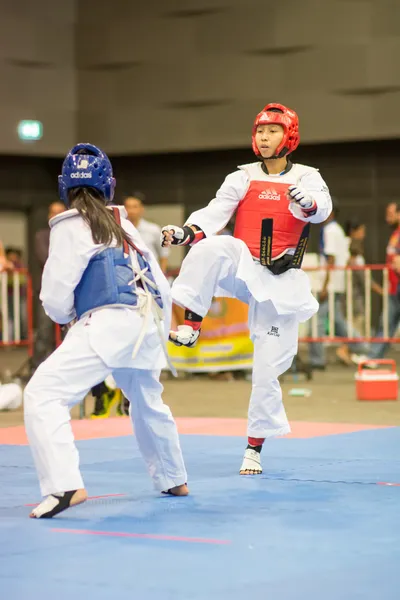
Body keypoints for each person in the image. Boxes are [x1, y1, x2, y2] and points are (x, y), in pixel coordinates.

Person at [161, 103, 332, 476]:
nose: (264, 138)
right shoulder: (241, 176)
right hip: (244, 269)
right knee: (210, 246)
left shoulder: (307, 176)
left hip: (281, 283)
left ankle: (254, 448)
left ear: (289, 136)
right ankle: (191, 323)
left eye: (272, 131)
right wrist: (185, 232)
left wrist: (309, 202)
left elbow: (322, 209)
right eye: (260, 132)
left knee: (266, 370)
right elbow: (214, 213)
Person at [24, 143, 188, 519]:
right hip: (148, 322)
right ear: (109, 185)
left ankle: (64, 484)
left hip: (108, 323)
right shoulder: (123, 223)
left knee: (43, 394)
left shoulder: (70, 224)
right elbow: (160, 284)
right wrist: (165, 329)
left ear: (64, 185)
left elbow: (54, 295)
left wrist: (69, 317)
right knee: (146, 398)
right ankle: (173, 477)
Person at [309, 206, 368, 368]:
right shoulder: (336, 230)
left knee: (317, 322)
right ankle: (364, 347)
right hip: (334, 283)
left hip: (329, 284)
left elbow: (331, 259)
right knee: (338, 321)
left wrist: (324, 285)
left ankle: (317, 360)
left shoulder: (330, 230)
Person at [32, 202, 66, 370]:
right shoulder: (42, 235)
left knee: (69, 334)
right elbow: (45, 259)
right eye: (53, 212)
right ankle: (35, 369)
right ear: (48, 216)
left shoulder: (71, 236)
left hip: (68, 291)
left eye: (60, 212)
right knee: (44, 333)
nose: (56, 215)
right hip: (46, 292)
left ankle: (65, 370)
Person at [367, 202, 400, 360]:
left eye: (391, 213)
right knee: (386, 324)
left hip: (397, 288)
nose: (388, 217)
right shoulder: (395, 234)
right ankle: (373, 357)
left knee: (386, 324)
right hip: (394, 288)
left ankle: (373, 357)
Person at [124, 193, 170, 273]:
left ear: (142, 209)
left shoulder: (153, 229)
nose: (131, 211)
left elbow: (164, 253)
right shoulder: (119, 230)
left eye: (135, 207)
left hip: (151, 273)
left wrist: (162, 275)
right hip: (128, 274)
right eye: (128, 207)